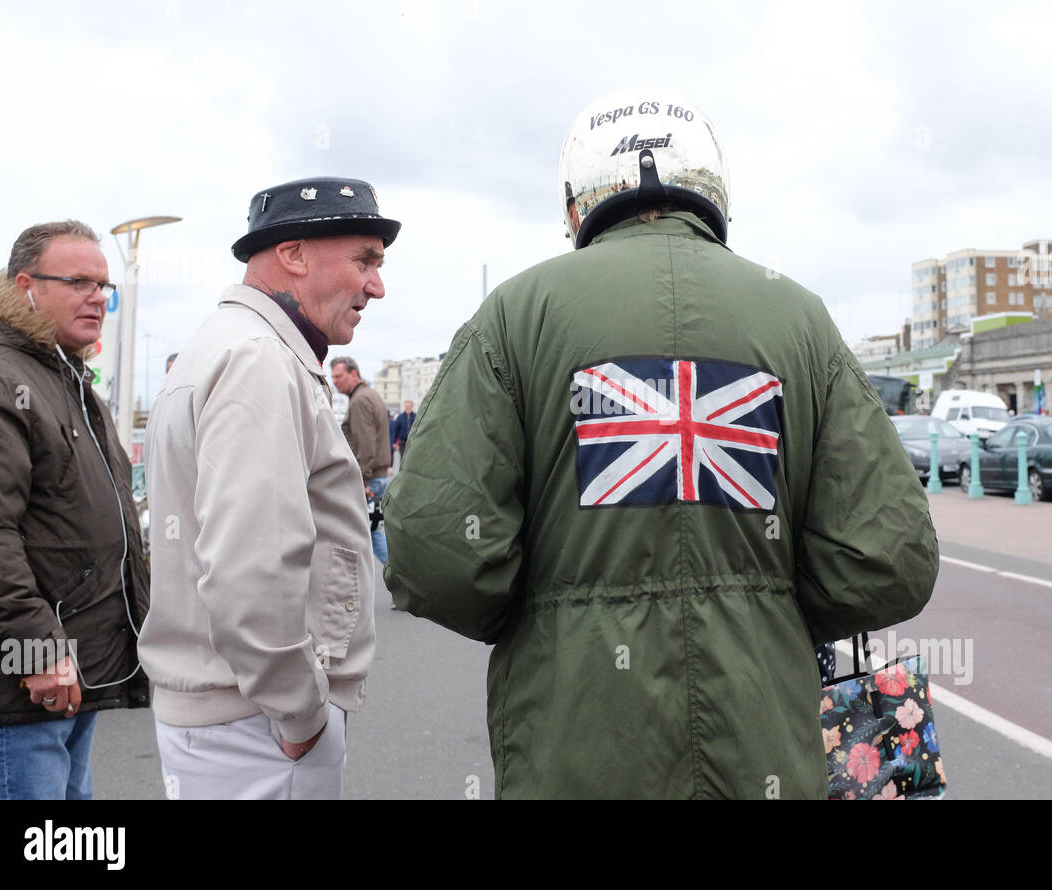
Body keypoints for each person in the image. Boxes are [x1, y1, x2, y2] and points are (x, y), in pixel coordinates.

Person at [382, 91, 939, 799]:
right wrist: (766, 610)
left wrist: (541, 617)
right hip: (764, 752)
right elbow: (891, 558)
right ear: (714, 189)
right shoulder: (801, 319)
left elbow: (435, 547)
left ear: (576, 205)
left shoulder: (513, 315)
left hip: (571, 755)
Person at [139, 177, 397, 800]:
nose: (377, 285)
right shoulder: (258, 358)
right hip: (257, 724)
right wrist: (302, 713)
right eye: (364, 259)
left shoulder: (231, 345)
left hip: (237, 714)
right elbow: (251, 566)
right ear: (294, 253)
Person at [0, 221, 149, 799]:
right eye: (79, 282)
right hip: (18, 682)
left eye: (104, 285)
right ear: (26, 285)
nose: (98, 297)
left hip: (69, 670)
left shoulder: (56, 368)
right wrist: (35, 649)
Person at [331, 356, 391, 564]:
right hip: (378, 477)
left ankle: (403, 583)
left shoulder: (360, 401)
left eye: (339, 376)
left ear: (353, 374)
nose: (334, 381)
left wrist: (364, 481)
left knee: (371, 533)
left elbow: (366, 446)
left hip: (370, 480)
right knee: (372, 531)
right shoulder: (370, 395)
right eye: (333, 377)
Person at [390, 398, 416, 465]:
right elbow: (396, 430)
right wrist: (394, 442)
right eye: (406, 406)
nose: (407, 408)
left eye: (409, 406)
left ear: (412, 406)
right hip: (402, 442)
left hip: (412, 442)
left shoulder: (416, 417)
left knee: (411, 458)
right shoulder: (400, 417)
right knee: (403, 458)